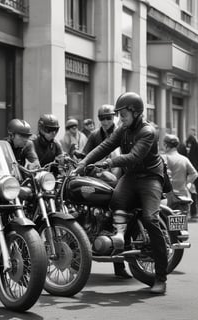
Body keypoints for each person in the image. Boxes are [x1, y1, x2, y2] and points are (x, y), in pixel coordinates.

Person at [76, 92, 169, 294]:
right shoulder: (123, 129)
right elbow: (105, 145)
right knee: (114, 201)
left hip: (150, 178)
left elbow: (134, 156)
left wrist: (109, 162)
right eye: (118, 114)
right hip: (131, 177)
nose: (120, 117)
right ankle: (119, 238)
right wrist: (83, 162)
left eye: (123, 113)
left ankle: (161, 278)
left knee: (151, 219)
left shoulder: (148, 131)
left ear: (135, 112)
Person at [83, 104, 130, 279]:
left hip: (121, 179)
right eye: (102, 118)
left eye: (108, 118)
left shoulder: (123, 132)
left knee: (116, 219)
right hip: (101, 179)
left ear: (115, 117)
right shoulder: (95, 135)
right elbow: (85, 153)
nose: (105, 121)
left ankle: (119, 266)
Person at [163, 134, 198, 212]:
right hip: (183, 197)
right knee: (182, 221)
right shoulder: (184, 159)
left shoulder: (163, 158)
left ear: (165, 145)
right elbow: (194, 173)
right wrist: (187, 184)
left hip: (167, 198)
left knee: (165, 221)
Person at [186, 133, 198, 219]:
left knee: (193, 193)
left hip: (192, 175)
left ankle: (193, 213)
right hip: (192, 174)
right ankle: (194, 213)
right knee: (193, 193)